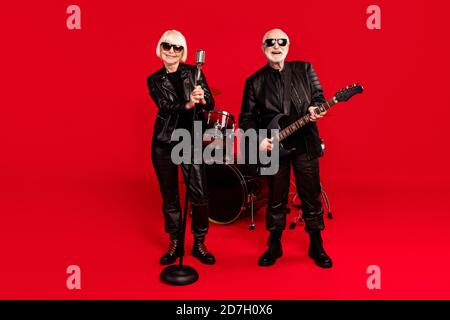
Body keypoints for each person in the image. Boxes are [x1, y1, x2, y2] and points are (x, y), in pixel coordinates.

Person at [239, 28, 332, 268]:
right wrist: (259, 138)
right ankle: (274, 243)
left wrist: (316, 108)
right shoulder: (254, 82)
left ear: (288, 45)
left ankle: (316, 243)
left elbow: (319, 98)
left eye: (282, 41)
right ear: (263, 47)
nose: (276, 45)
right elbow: (246, 118)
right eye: (271, 42)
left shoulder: (305, 69)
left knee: (310, 195)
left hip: (305, 144)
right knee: (276, 198)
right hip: (273, 148)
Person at [147, 30, 216, 265]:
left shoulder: (194, 73)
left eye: (177, 47)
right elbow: (164, 105)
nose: (172, 51)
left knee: (199, 193)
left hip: (191, 141)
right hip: (164, 143)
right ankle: (175, 242)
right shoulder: (154, 79)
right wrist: (188, 102)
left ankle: (199, 243)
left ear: (183, 51)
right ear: (160, 48)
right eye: (167, 46)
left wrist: (203, 97)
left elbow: (211, 102)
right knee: (170, 196)